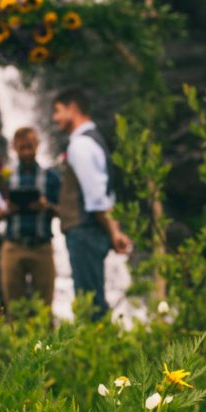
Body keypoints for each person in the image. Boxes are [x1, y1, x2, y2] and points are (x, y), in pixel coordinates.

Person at [52, 88, 132, 319]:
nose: (55, 118)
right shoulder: (95, 140)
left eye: (58, 111)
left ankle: (97, 349)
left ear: (73, 108)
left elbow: (97, 198)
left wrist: (114, 232)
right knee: (93, 295)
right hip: (90, 230)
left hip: (85, 231)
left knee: (89, 301)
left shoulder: (81, 145)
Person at [0, 127, 60, 311]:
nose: (26, 152)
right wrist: (7, 210)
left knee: (44, 310)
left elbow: (65, 211)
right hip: (13, 247)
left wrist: (47, 207)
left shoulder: (51, 178)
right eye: (22, 148)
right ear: (14, 147)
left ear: (38, 145)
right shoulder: (4, 178)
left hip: (42, 247)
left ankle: (46, 340)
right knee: (13, 309)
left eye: (30, 146)